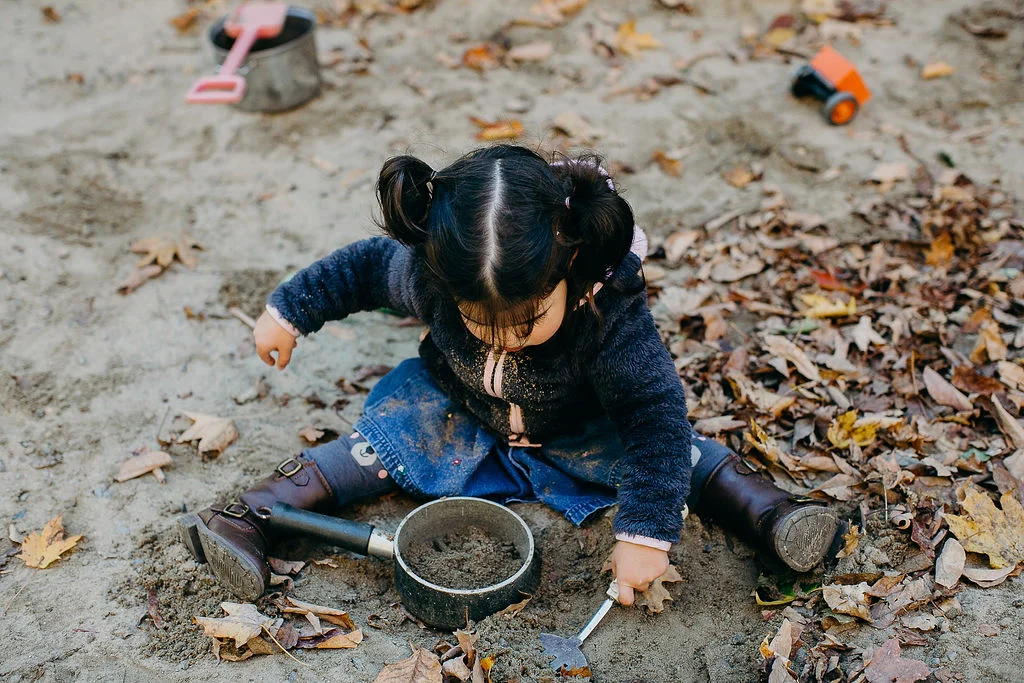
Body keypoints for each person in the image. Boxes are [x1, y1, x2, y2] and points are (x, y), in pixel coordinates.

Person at [178, 145, 837, 606]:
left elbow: (652, 415)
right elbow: (360, 270)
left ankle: (770, 511)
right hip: (461, 408)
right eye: (477, 318)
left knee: (673, 451)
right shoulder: (437, 276)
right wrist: (289, 311)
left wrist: (644, 532)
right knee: (384, 442)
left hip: (579, 424)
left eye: (523, 321)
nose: (498, 334)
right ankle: (253, 512)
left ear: (567, 270)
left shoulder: (605, 311)